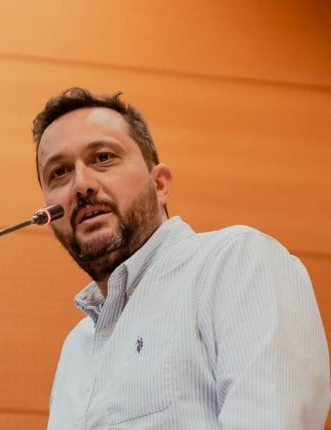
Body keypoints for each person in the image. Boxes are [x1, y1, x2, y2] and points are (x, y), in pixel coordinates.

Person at [31, 87, 330, 429]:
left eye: (103, 157)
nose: (81, 185)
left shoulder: (235, 262)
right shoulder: (76, 348)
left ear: (159, 184)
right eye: (59, 172)